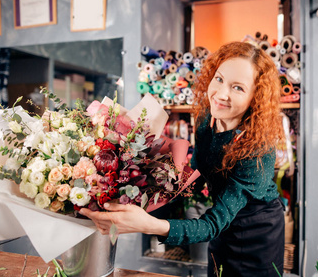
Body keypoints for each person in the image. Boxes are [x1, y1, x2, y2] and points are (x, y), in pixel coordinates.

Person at [80, 41, 285, 276]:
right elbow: (196, 173)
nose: (221, 94)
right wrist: (140, 192)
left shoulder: (258, 149)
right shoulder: (208, 118)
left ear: (255, 98)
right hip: (220, 223)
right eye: (219, 79)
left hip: (257, 233)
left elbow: (212, 223)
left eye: (238, 88)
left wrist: (149, 224)